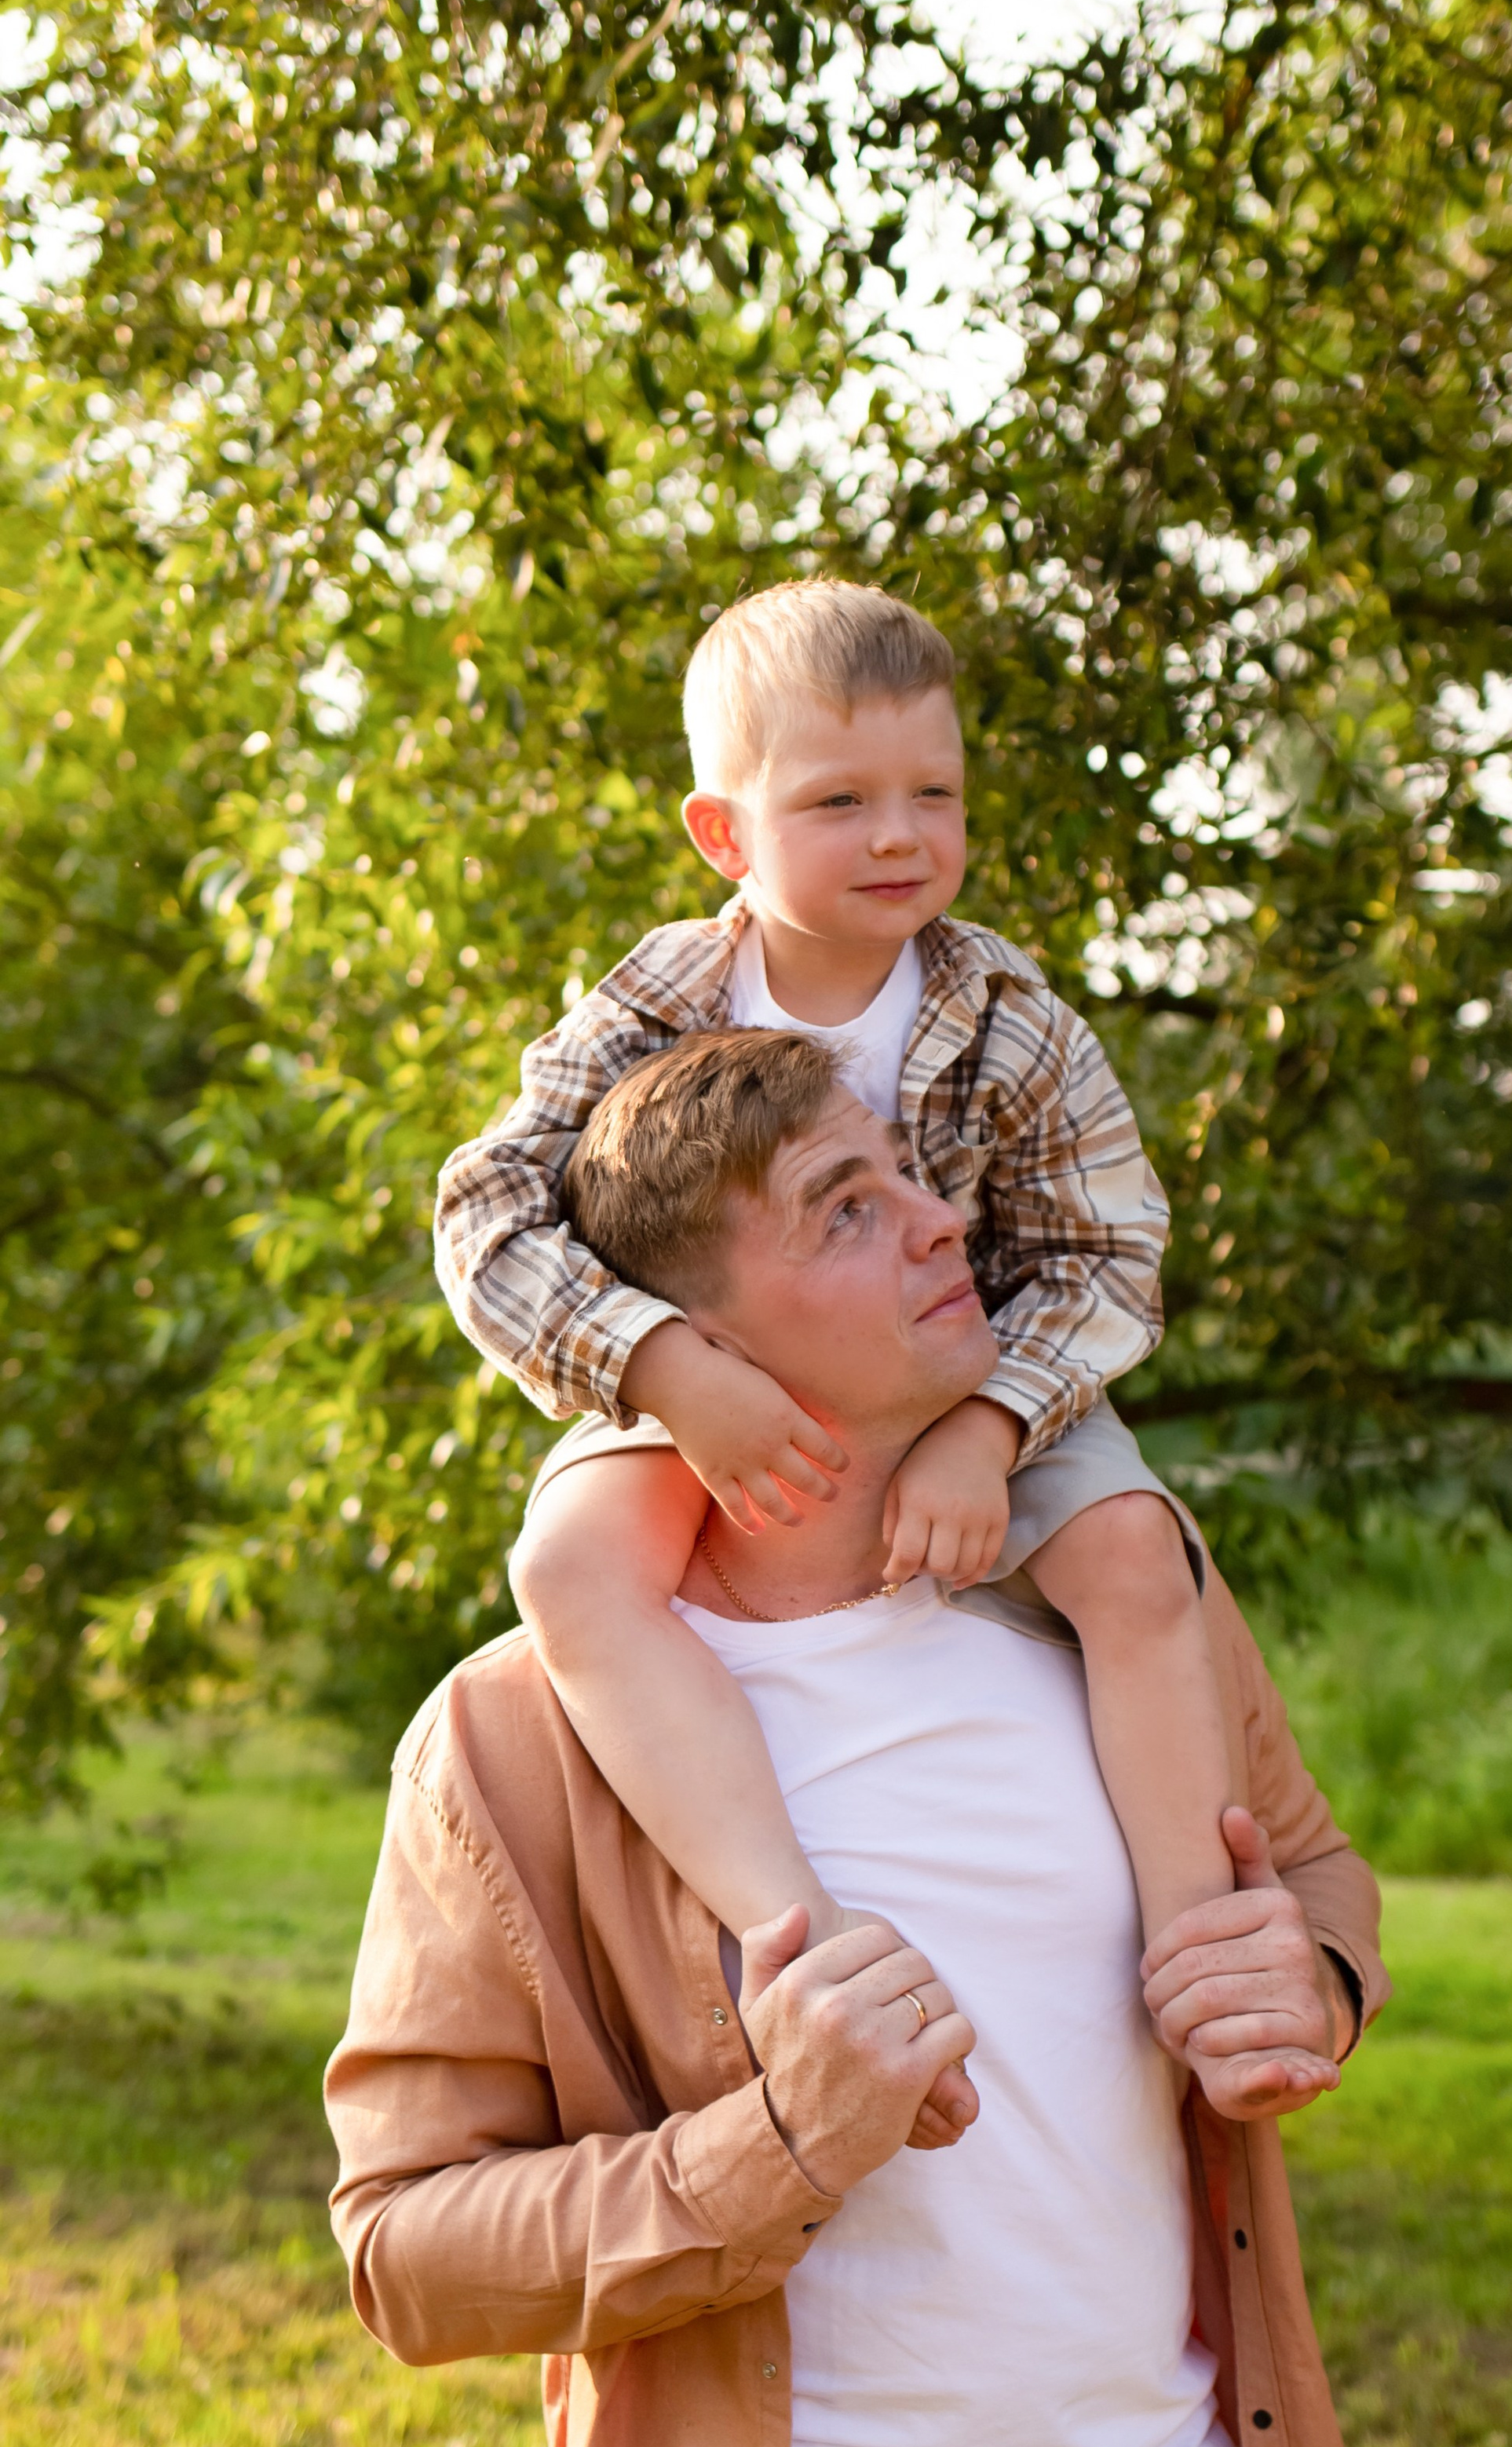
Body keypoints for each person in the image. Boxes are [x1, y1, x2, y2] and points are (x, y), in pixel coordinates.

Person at [335, 1027, 1389, 2447]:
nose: (942, 1221)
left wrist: (1304, 1977)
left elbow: (1311, 1879)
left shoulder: (1097, 1594)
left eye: (906, 1172)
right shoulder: (515, 1739)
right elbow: (406, 2249)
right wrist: (772, 2148)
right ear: (696, 1338)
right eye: (849, 1207)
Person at [432, 577, 1254, 2059]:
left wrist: (990, 1431)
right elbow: (485, 1208)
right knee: (573, 1565)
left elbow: (1111, 1250)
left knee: (1135, 1556)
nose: (898, 835)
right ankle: (783, 1929)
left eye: (934, 791)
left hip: (986, 1373)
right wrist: (668, 1367)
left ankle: (1205, 1958)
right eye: (840, 800)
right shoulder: (658, 1002)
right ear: (725, 835)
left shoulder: (1008, 1013)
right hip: (709, 1376)